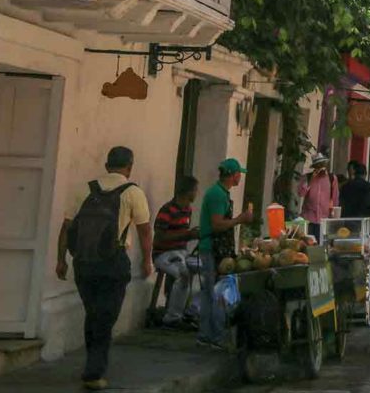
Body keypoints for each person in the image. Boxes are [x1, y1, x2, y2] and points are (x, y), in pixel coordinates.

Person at [55, 146, 152, 391]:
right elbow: (144, 230)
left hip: (84, 262)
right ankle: (94, 372)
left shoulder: (85, 188)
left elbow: (66, 227)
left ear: (107, 165)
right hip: (113, 262)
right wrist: (147, 260)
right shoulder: (133, 192)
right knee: (105, 317)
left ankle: (92, 365)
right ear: (129, 167)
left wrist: (61, 259)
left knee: (94, 313)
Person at [198, 158, 254, 350]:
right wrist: (240, 219)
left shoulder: (221, 193)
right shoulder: (217, 195)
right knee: (217, 294)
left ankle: (206, 335)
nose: (240, 177)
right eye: (239, 174)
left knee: (211, 293)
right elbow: (217, 224)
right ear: (233, 175)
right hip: (212, 249)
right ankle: (216, 337)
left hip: (215, 248)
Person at [152, 175, 200, 328]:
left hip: (180, 252)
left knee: (201, 268)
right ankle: (172, 318)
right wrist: (187, 234)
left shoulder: (187, 210)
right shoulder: (167, 210)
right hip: (163, 253)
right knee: (184, 274)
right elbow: (159, 238)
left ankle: (189, 311)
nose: (196, 194)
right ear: (187, 192)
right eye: (195, 190)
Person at [297, 155, 336, 240]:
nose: (321, 168)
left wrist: (333, 215)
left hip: (324, 218)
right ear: (314, 167)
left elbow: (335, 198)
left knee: (321, 244)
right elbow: (301, 193)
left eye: (322, 165)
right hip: (309, 217)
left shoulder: (331, 178)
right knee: (308, 242)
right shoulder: (307, 177)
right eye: (318, 165)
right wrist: (311, 180)